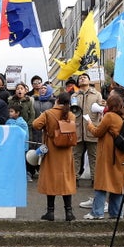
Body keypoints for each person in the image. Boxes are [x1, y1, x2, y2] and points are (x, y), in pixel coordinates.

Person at [83, 94, 124, 220]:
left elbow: (97, 132)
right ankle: (116, 213)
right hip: (121, 155)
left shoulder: (110, 116)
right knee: (117, 184)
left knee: (102, 183)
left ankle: (97, 212)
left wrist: (90, 124)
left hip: (109, 155)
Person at [32, 92, 77, 221]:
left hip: (51, 150)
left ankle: (50, 212)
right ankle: (69, 212)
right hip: (66, 152)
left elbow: (35, 125)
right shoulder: (71, 115)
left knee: (51, 180)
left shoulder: (48, 113)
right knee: (66, 181)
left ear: (57, 100)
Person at [71, 73, 105, 189]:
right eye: (80, 78)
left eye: (84, 77)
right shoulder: (74, 96)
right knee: (75, 156)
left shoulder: (97, 94)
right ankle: (74, 179)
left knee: (94, 157)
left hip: (92, 129)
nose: (82, 79)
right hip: (78, 130)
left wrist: (103, 107)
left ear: (89, 80)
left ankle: (95, 180)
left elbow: (101, 110)